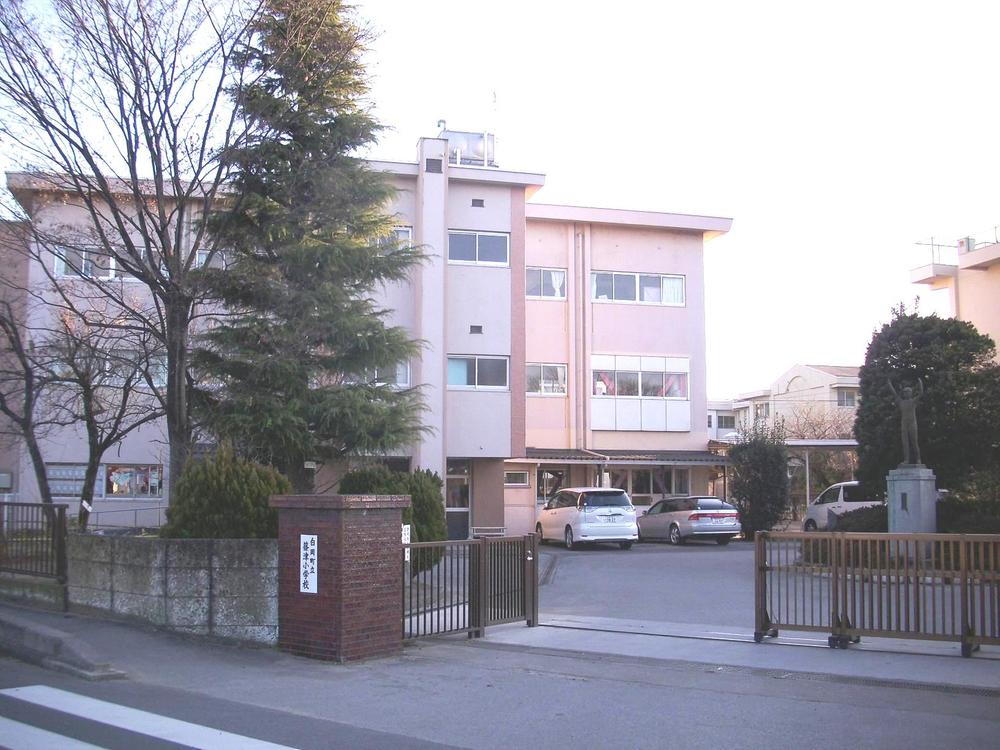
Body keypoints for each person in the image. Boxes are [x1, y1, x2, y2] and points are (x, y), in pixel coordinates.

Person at [887, 378, 923, 465]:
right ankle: (906, 460)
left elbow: (921, 393)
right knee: (905, 443)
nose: (906, 393)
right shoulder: (901, 402)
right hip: (904, 424)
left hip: (912, 424)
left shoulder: (913, 401)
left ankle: (918, 459)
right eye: (905, 392)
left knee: (914, 442)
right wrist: (889, 384)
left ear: (911, 393)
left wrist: (920, 383)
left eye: (908, 392)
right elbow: (894, 393)